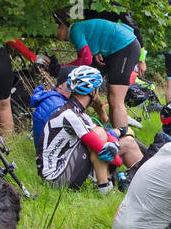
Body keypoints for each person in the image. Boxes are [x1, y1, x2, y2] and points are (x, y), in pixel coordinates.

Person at [40, 66, 133, 194]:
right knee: (99, 135)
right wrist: (114, 151)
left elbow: (107, 139)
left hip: (63, 169)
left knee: (127, 142)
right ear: (92, 91)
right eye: (98, 89)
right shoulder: (69, 115)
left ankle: (143, 180)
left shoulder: (80, 114)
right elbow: (106, 151)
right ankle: (105, 188)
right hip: (55, 179)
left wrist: (116, 144)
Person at [56, 13, 142, 140]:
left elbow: (85, 59)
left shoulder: (74, 30)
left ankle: (127, 143)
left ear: (62, 26)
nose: (54, 34)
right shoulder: (78, 30)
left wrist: (62, 68)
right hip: (118, 47)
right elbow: (91, 52)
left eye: (55, 29)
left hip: (126, 46)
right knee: (97, 91)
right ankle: (113, 135)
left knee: (116, 100)